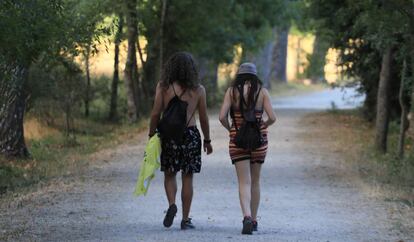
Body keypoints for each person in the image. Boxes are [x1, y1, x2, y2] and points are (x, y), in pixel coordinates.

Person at [148, 52, 213, 230]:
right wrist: (207, 140)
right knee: (188, 176)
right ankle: (185, 219)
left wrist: (151, 134)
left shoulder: (163, 87)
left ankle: (171, 205)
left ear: (171, 67)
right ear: (191, 70)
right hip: (191, 135)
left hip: (169, 136)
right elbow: (204, 118)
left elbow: (155, 113)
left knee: (169, 173)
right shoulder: (199, 90)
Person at [219, 62, 276, 235]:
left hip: (238, 141)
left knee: (244, 181)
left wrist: (231, 129)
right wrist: (263, 125)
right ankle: (255, 220)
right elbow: (272, 117)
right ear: (254, 75)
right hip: (259, 141)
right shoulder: (262, 92)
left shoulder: (231, 92)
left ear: (239, 75)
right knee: (255, 181)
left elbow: (222, 116)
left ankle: (247, 217)